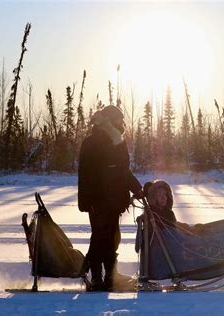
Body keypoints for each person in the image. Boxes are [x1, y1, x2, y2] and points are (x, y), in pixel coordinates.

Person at [78, 105, 143, 291]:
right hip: (99, 201)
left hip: (112, 201)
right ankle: (97, 276)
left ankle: (110, 276)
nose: (122, 123)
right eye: (120, 120)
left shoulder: (116, 141)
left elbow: (122, 171)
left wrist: (136, 188)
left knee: (111, 238)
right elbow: (87, 175)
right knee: (101, 238)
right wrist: (90, 201)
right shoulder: (93, 143)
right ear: (111, 121)